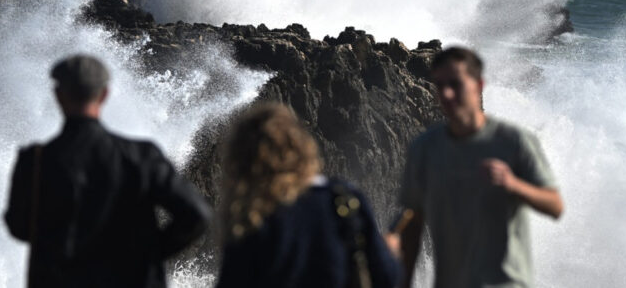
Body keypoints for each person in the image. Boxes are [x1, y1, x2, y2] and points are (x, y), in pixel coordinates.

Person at [4, 55, 211, 288]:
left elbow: (19, 227)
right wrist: (146, 257)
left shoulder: (35, 161)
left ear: (59, 96)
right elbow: (196, 214)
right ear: (104, 95)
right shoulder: (141, 156)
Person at [397, 47, 563, 288]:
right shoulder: (424, 147)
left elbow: (554, 205)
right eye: (440, 85)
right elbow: (413, 225)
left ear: (479, 85)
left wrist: (513, 184)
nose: (447, 93)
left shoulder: (513, 141)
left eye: (455, 84)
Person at [215, 103, 400, 288]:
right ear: (302, 147)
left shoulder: (254, 218)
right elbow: (388, 278)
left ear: (241, 161)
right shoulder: (343, 199)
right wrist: (389, 250)